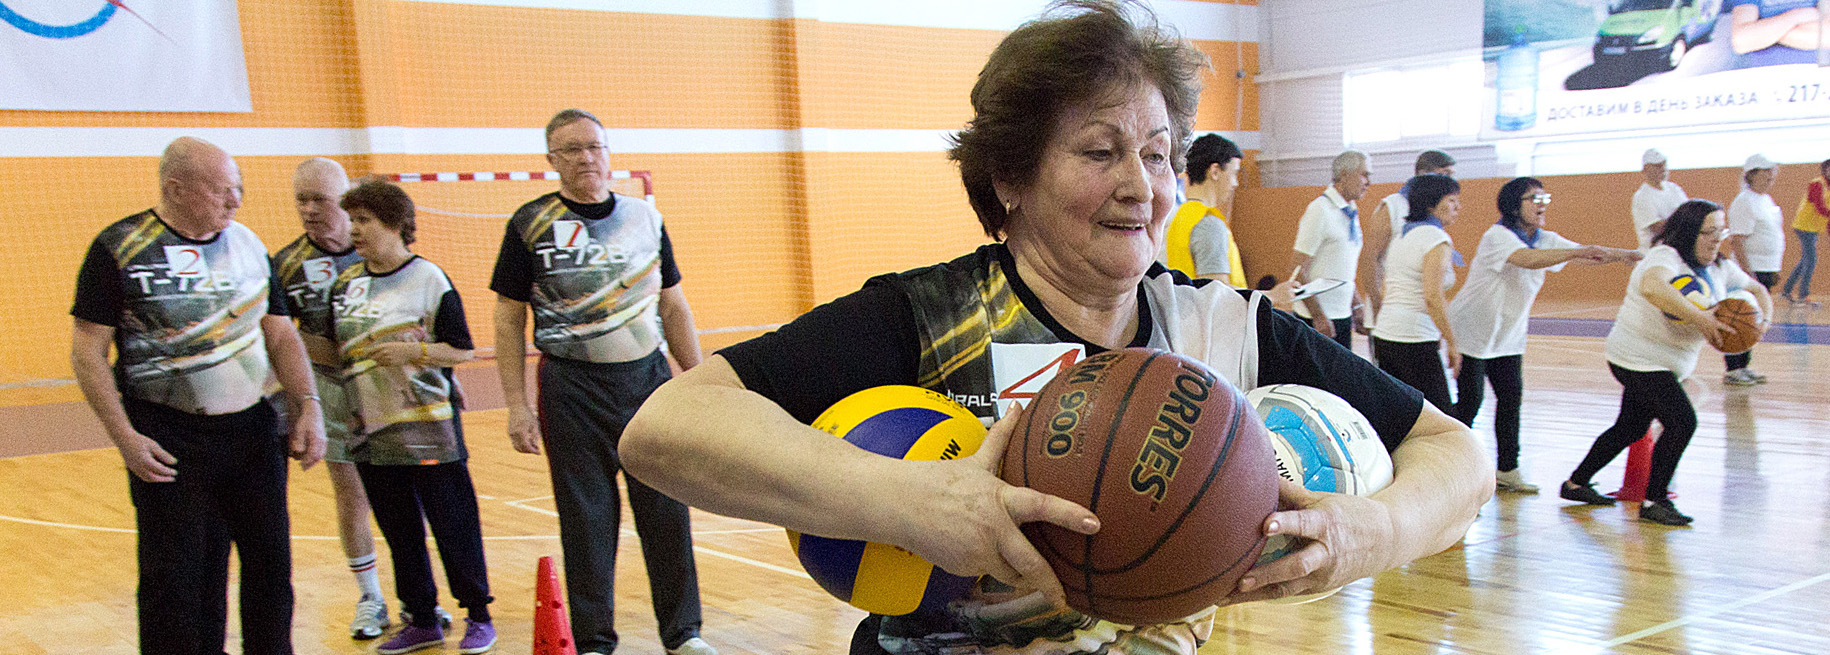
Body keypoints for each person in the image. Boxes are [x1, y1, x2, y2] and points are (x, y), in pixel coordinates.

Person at [619, 3, 1491, 654]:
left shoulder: (1223, 325)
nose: (1141, 186)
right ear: (1009, 175)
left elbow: (1457, 453)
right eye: (1099, 150)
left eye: (1157, 154)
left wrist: (1370, 531)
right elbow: (663, 430)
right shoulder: (924, 314)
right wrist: (911, 501)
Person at [68, 137, 325, 655]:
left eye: (239, 190)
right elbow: (88, 352)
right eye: (223, 190)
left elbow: (280, 335)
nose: (235, 201)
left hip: (252, 433)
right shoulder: (119, 247)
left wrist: (308, 406)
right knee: (177, 579)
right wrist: (125, 438)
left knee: (270, 567)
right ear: (176, 188)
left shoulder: (250, 245)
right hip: (167, 435)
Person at [490, 109, 714, 655]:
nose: (585, 157)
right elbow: (506, 316)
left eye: (593, 146)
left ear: (608, 153)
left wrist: (704, 381)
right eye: (570, 150)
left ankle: (683, 633)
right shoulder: (530, 224)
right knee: (586, 518)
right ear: (551, 161)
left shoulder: (645, 218)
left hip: (647, 382)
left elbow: (673, 304)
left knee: (665, 509)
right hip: (570, 388)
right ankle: (592, 638)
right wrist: (517, 405)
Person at [327, 181, 495, 654]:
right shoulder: (345, 285)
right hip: (370, 430)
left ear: (396, 225)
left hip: (430, 431)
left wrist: (413, 351)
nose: (353, 229)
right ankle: (421, 618)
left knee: (453, 525)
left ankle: (478, 614)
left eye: (364, 220)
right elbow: (329, 346)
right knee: (400, 532)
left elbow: (462, 349)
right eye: (352, 220)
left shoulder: (429, 279)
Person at [1560, 200, 1772, 525]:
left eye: (1721, 231)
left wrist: (1763, 320)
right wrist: (1701, 318)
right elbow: (1653, 286)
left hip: (1664, 363)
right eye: (1709, 232)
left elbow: (1757, 289)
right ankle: (1654, 501)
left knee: (1630, 426)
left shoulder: (1719, 266)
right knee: (1682, 422)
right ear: (1689, 233)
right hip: (1636, 358)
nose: (1717, 239)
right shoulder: (1665, 257)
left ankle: (1576, 484)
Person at [270, 157, 399, 640]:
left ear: (346, 200)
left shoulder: (385, 251)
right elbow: (277, 338)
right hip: (331, 391)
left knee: (405, 496)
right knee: (353, 492)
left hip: (392, 394)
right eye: (300, 200)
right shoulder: (284, 264)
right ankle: (370, 597)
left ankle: (417, 598)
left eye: (319, 200)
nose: (308, 210)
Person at [1447, 178, 1640, 494]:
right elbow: (1527, 259)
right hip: (1472, 330)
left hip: (1507, 336)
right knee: (1471, 401)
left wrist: (1627, 255)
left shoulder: (1544, 238)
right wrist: (1575, 252)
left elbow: (1585, 255)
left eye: (1543, 197)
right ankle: (1450, 467)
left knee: (1511, 399)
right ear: (1513, 205)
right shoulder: (1498, 236)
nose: (1541, 203)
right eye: (1533, 197)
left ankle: (1508, 470)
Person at [1372, 174, 1463, 413]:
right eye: (1452, 200)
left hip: (1386, 336)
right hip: (1413, 340)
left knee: (1400, 416)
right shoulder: (1436, 239)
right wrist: (1453, 343)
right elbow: (1432, 297)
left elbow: (1386, 287)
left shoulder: (1403, 236)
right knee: (1441, 418)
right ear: (1432, 204)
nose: (1458, 207)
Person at [1293, 150, 1372, 350]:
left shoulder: (1350, 211)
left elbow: (1343, 268)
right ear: (1344, 175)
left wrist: (1356, 305)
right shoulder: (1320, 210)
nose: (1368, 181)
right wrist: (1318, 316)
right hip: (1316, 320)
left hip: (1341, 315)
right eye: (1364, 174)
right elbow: (1296, 269)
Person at [1365, 149, 1456, 321]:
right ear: (1423, 174)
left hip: (1424, 314)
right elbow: (1370, 258)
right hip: (1392, 312)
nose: (1450, 181)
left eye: (1452, 175)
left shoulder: (1434, 210)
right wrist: (1377, 303)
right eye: (1445, 174)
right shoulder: (1393, 205)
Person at [1724, 153, 1784, 386]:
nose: (1771, 175)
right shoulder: (1744, 201)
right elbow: (1737, 240)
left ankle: (1744, 366)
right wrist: (1749, 274)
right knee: (1738, 317)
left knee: (1753, 320)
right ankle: (1733, 369)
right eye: (1765, 171)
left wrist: (1774, 268)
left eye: (1772, 171)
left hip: (1766, 269)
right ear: (1752, 175)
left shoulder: (1765, 199)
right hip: (1750, 272)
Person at [1160, 133, 1244, 286]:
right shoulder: (1209, 224)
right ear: (1215, 171)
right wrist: (1271, 296)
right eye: (1234, 174)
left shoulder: (1173, 219)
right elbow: (1218, 295)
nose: (1235, 183)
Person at [1781, 158, 1829, 307]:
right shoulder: (1817, 184)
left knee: (1805, 261)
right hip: (1804, 226)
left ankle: (1786, 290)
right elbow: (1819, 207)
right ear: (1824, 170)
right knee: (1811, 260)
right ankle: (1803, 295)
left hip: (1813, 227)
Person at [1632, 149, 1688, 251]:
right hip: (1653, 255)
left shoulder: (1674, 189)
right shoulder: (1642, 196)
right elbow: (1659, 228)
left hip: (1675, 252)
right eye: (1657, 166)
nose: (1663, 169)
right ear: (1645, 169)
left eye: (1664, 165)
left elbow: (1690, 213)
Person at [1729, 0, 1820, 60]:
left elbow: (1823, 36)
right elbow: (1741, 41)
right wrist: (1798, 16)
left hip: (1815, 76)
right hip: (1767, 79)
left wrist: (1762, 31)